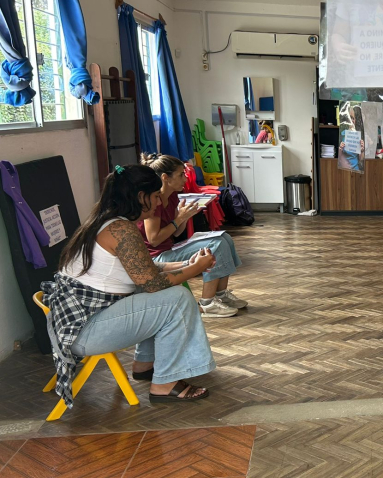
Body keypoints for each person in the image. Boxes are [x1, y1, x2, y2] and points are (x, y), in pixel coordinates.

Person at [43, 165, 216, 405]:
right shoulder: (120, 229)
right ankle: (165, 384)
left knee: (150, 293)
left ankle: (145, 365)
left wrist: (187, 263)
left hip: (79, 324)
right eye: (155, 196)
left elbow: (144, 269)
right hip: (84, 332)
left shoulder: (107, 221)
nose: (159, 203)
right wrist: (196, 269)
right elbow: (153, 283)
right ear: (140, 196)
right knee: (177, 298)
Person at [139, 154, 247, 318]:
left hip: (168, 248)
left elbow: (175, 232)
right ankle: (207, 303)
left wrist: (186, 216)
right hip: (157, 257)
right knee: (215, 244)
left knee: (225, 238)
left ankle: (221, 294)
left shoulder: (173, 196)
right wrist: (179, 218)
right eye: (181, 174)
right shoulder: (155, 201)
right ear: (165, 178)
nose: (186, 178)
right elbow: (154, 239)